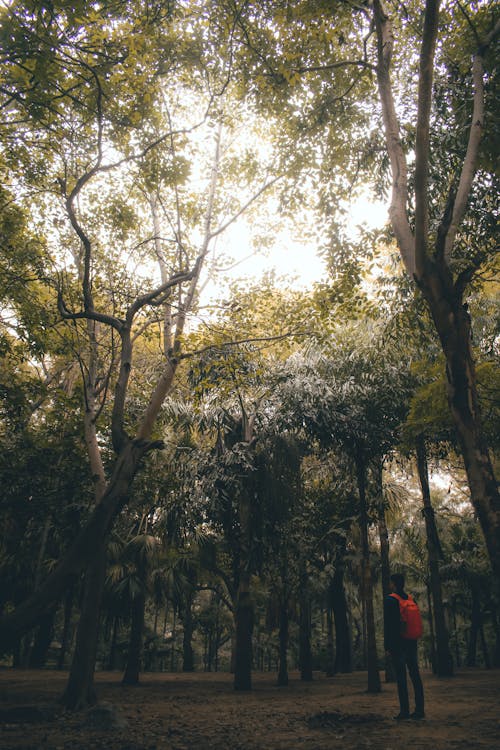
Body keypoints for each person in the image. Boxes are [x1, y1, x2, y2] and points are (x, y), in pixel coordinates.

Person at [384, 572, 425, 720]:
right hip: (411, 642)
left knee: (401, 678)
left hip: (397, 644)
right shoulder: (410, 599)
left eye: (390, 583)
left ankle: (404, 711)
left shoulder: (390, 600)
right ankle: (420, 710)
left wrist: (387, 647)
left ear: (393, 584)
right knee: (415, 675)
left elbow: (388, 626)